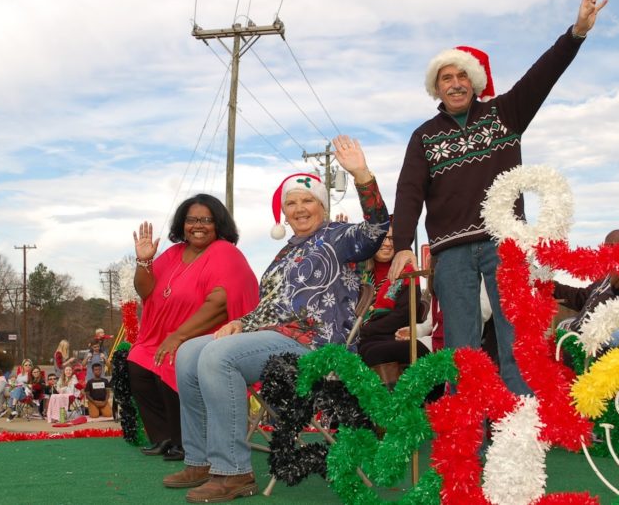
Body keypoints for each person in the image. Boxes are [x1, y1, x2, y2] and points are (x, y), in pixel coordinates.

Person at [390, 0, 608, 396]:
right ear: (436, 87)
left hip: (506, 245)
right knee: (462, 345)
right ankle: (464, 439)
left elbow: (543, 75)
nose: (454, 84)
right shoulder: (423, 136)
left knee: (517, 340)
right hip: (451, 253)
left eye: (461, 77)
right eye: (445, 78)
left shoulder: (504, 114)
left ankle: (520, 431)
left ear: (474, 82)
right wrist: (403, 242)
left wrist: (576, 32)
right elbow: (409, 191)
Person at [163, 135, 389, 502]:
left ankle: (234, 472)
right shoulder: (285, 254)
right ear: (283, 213)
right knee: (189, 353)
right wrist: (242, 323)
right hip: (274, 337)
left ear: (322, 205)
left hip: (315, 347)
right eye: (292, 203)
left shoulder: (339, 237)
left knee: (219, 357)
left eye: (308, 201)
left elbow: (377, 228)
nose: (300, 209)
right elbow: (270, 307)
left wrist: (361, 174)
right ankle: (202, 459)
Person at [130, 193, 259, 461]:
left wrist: (178, 336)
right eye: (191, 220)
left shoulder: (225, 252)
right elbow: (146, 289)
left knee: (171, 360)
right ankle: (164, 436)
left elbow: (221, 303)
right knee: (138, 360)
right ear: (182, 224)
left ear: (218, 224)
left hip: (206, 336)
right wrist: (144, 261)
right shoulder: (174, 253)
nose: (197, 225)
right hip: (164, 335)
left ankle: (187, 441)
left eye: (206, 220)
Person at [358, 221, 428, 383]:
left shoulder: (408, 272)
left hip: (394, 334)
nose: (388, 244)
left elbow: (404, 315)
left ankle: (389, 402)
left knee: (370, 352)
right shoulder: (361, 273)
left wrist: (367, 330)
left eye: (392, 239)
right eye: (382, 238)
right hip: (367, 336)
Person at [554, 229, 619, 332]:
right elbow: (582, 298)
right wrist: (551, 287)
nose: (605, 251)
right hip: (576, 335)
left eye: (610, 247)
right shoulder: (606, 276)